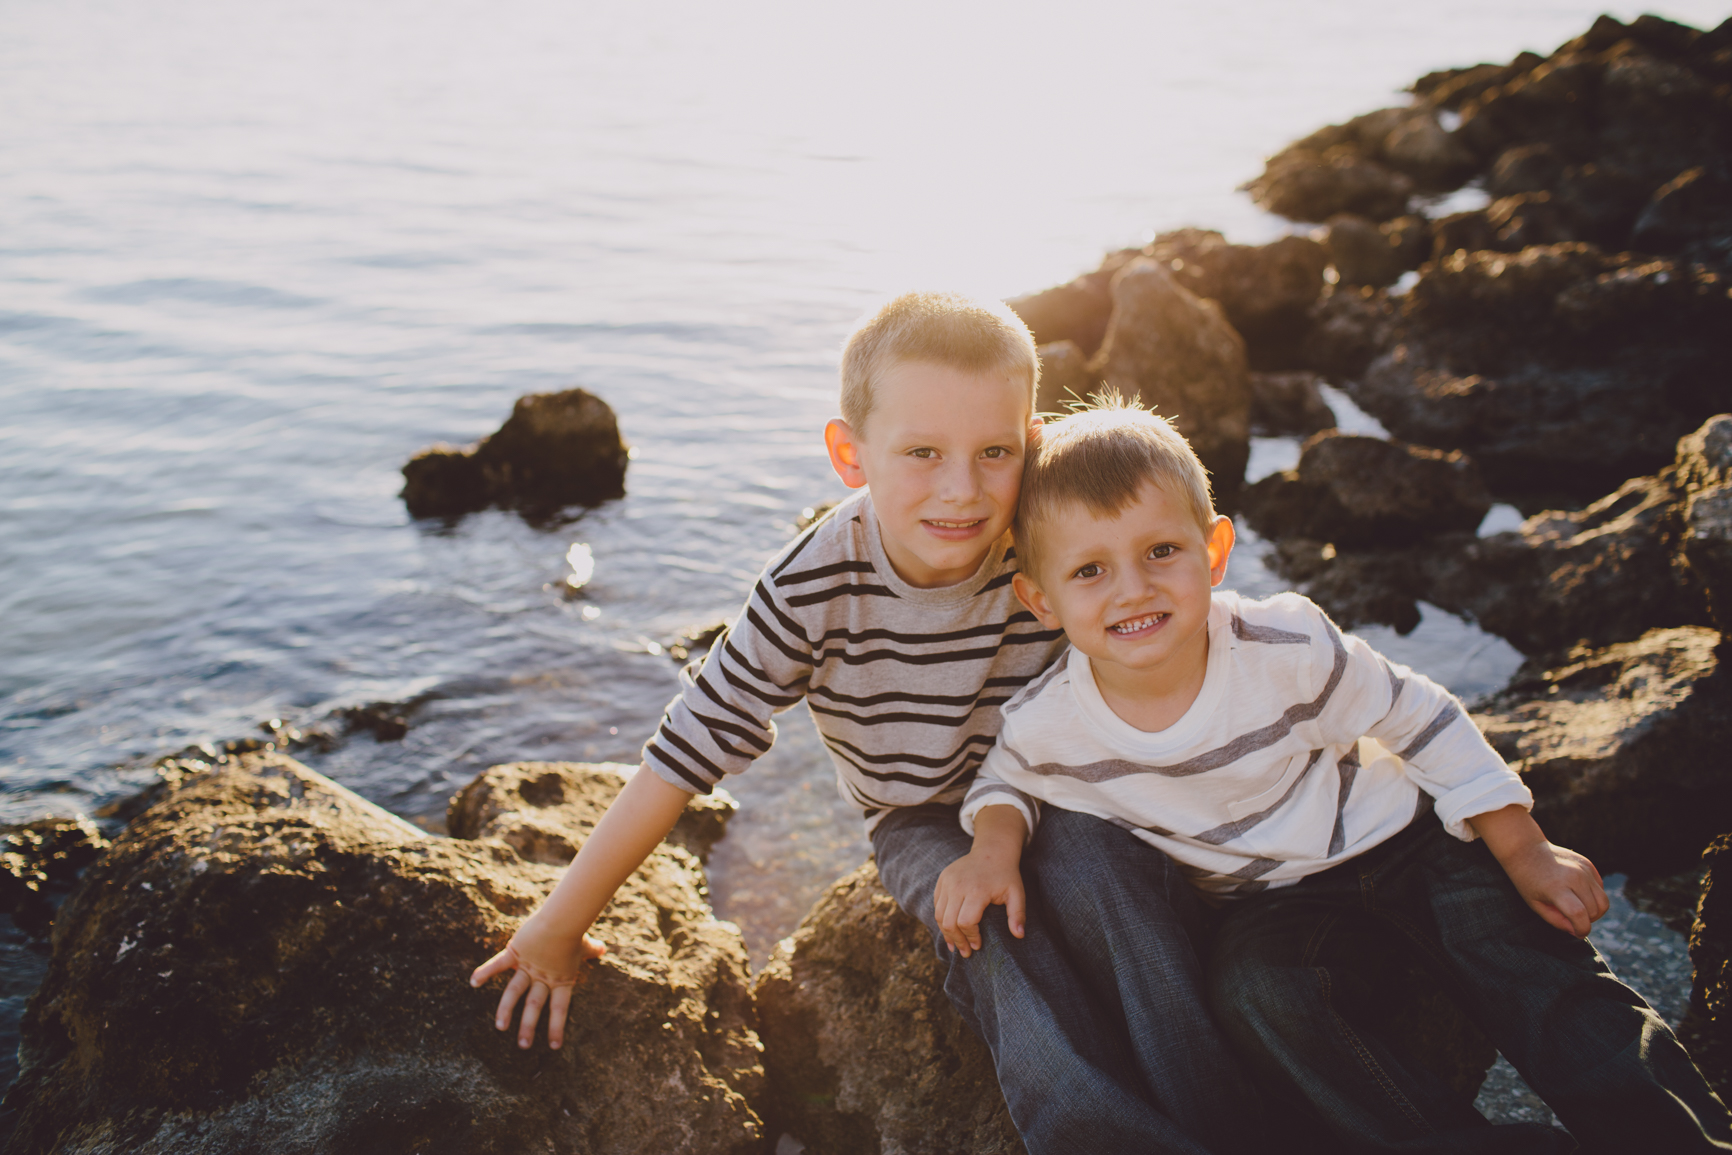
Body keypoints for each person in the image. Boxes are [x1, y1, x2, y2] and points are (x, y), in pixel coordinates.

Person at [471, 292, 1266, 1155]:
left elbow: (1173, 605)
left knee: (1118, 887)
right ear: (850, 453)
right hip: (921, 813)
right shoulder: (811, 587)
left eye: (994, 452)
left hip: (1066, 786)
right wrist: (557, 925)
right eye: (922, 452)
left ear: (1031, 444)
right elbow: (686, 750)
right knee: (989, 929)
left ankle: (1228, 1125)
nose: (962, 489)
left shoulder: (1046, 542)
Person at [943, 395, 1732, 1153]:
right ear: (1040, 599)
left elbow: (1418, 714)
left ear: (1213, 552)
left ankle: (1677, 1137)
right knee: (1257, 996)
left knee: (1527, 961)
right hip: (1275, 906)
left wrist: (1524, 848)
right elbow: (1005, 783)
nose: (1134, 588)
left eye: (1161, 551)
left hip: (1408, 844)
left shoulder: (1283, 645)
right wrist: (992, 851)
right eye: (1090, 570)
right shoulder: (1053, 721)